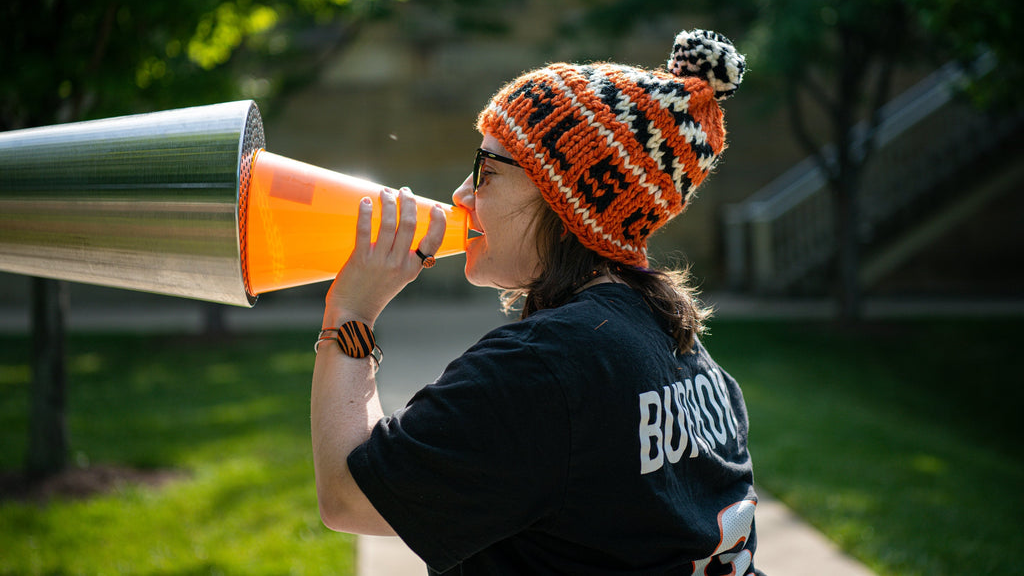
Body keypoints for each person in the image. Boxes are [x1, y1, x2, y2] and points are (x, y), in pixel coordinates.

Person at [310, 29, 763, 575]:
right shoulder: (687, 351)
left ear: (564, 200)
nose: (461, 195)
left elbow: (348, 494)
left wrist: (350, 316)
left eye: (488, 171)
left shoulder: (543, 368)